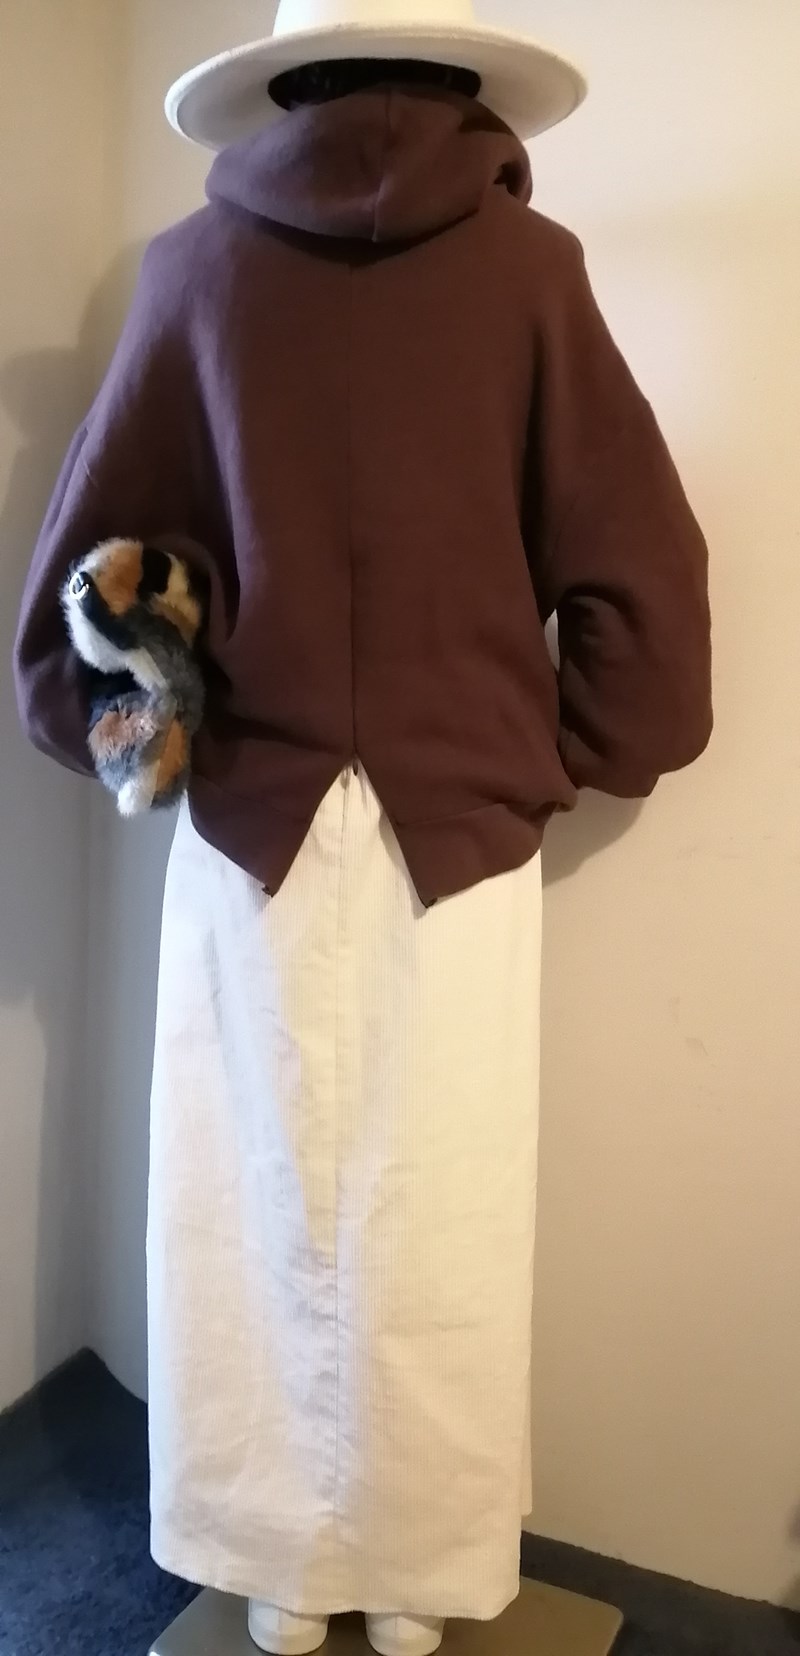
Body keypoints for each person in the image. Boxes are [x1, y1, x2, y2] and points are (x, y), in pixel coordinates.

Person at [11, 4, 713, 1655]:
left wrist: (137, 713)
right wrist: (555, 748)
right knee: (441, 1206)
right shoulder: (535, 276)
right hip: (457, 828)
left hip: (249, 822)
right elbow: (642, 578)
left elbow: (69, 614)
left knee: (242, 1191)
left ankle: (278, 1565)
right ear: (463, 82)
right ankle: (422, 1567)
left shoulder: (191, 276)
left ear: (283, 81)